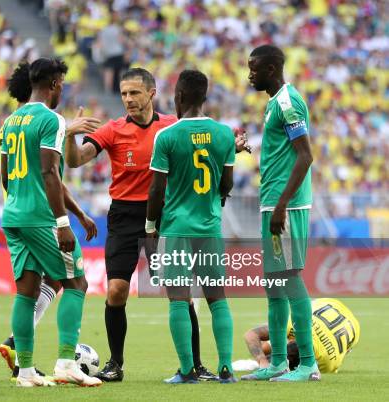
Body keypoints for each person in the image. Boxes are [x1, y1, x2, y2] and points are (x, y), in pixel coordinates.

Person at [65, 67, 219, 382]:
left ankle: (195, 365)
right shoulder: (112, 129)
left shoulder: (172, 126)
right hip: (124, 216)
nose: (128, 99)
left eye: (134, 93)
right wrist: (69, 134)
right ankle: (115, 364)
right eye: (123, 94)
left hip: (165, 216)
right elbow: (75, 160)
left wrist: (232, 148)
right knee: (117, 291)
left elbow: (205, 149)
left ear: (151, 93)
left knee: (179, 293)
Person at [0, 57, 101, 387]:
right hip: (41, 218)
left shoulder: (11, 121)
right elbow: (48, 173)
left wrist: (23, 201)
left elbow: (7, 176)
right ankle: (65, 364)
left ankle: (26, 371)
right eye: (63, 85)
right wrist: (62, 222)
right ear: (55, 84)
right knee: (76, 283)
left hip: (13, 215)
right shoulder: (52, 119)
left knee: (26, 292)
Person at [146, 69, 237, 384]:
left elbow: (157, 189)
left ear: (179, 97)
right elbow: (227, 183)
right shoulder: (225, 134)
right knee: (217, 298)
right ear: (205, 97)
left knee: (178, 298)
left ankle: (187, 370)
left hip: (176, 228)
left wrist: (150, 225)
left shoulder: (167, 136)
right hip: (210, 227)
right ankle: (226, 368)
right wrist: (216, 199)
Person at [241, 44, 317, 382]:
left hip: (286, 206)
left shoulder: (288, 101)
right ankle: (277, 365)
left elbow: (305, 155)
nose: (249, 74)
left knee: (289, 278)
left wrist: (282, 205)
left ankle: (308, 365)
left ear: (271, 69)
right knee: (273, 284)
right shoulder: (274, 103)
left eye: (254, 68)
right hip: (271, 203)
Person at [242, 298, 360, 374]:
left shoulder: (328, 365)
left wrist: (262, 361)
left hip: (348, 325)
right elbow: (251, 334)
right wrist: (263, 361)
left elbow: (250, 334)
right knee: (268, 345)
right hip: (330, 306)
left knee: (266, 347)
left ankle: (271, 351)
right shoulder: (327, 365)